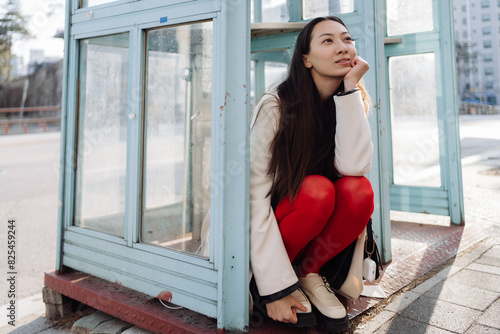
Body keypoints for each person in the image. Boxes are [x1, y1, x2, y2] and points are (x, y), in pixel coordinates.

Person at [249, 16, 374, 332]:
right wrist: (274, 286)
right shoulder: (277, 106)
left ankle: (309, 271)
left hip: (312, 232)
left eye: (347, 39)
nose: (343, 48)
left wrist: (349, 92)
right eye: (328, 41)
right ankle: (275, 283)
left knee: (359, 190)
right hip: (272, 227)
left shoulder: (352, 99)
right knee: (317, 190)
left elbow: (354, 168)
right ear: (305, 59)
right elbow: (252, 195)